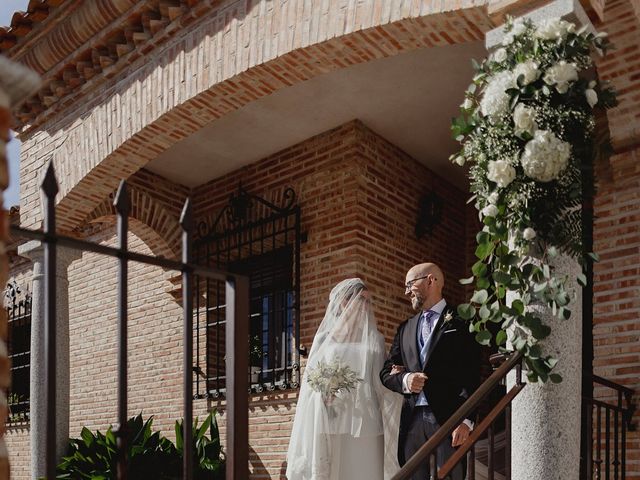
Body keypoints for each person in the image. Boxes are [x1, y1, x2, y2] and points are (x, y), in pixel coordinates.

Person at [286, 278, 402, 480]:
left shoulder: (376, 339)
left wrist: (395, 376)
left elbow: (381, 379)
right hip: (334, 415)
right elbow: (310, 381)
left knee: (366, 471)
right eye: (361, 300)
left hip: (367, 418)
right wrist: (322, 394)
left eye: (368, 301)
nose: (366, 306)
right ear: (343, 302)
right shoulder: (324, 339)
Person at [380, 263, 480, 480]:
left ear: (430, 280)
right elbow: (386, 372)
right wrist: (406, 379)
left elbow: (474, 372)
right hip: (412, 420)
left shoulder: (462, 321)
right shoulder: (405, 328)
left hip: (449, 419)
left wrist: (466, 420)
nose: (406, 291)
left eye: (410, 284)